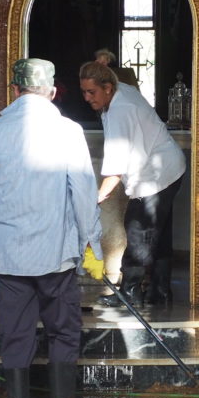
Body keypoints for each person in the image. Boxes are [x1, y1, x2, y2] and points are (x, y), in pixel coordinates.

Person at [0, 58, 103, 398]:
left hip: (7, 256)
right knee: (63, 332)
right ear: (53, 92)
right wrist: (92, 243)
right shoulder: (68, 131)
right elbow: (83, 194)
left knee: (15, 336)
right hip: (54, 255)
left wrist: (10, 200)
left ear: (14, 90)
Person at [79, 61, 185, 307]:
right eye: (83, 92)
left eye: (91, 92)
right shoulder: (119, 90)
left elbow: (115, 170)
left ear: (107, 88)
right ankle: (160, 292)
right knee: (159, 234)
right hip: (169, 169)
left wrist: (96, 198)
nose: (86, 98)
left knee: (139, 231)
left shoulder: (121, 110)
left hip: (156, 177)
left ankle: (130, 292)